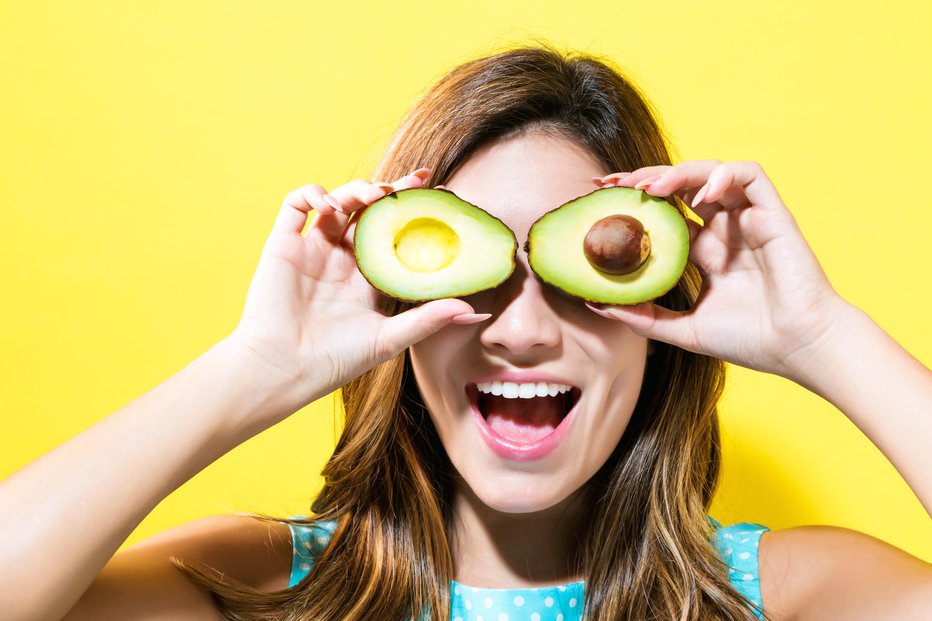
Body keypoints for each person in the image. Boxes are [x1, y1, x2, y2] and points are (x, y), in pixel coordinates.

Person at [1, 43, 930, 621]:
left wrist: (821, 334)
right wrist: (253, 367)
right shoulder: (263, 588)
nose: (522, 332)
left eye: (583, 278)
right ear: (396, 310)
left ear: (664, 320)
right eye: (477, 279)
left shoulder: (787, 597)